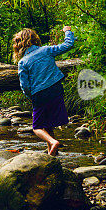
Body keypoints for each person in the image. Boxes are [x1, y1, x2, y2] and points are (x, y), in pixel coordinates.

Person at [13, 26, 75, 156]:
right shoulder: (46, 50)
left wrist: (31, 97)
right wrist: (67, 31)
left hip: (39, 93)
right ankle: (51, 154)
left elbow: (24, 85)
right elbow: (68, 44)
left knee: (37, 128)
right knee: (48, 124)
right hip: (56, 88)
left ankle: (53, 142)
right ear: (35, 39)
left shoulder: (23, 62)